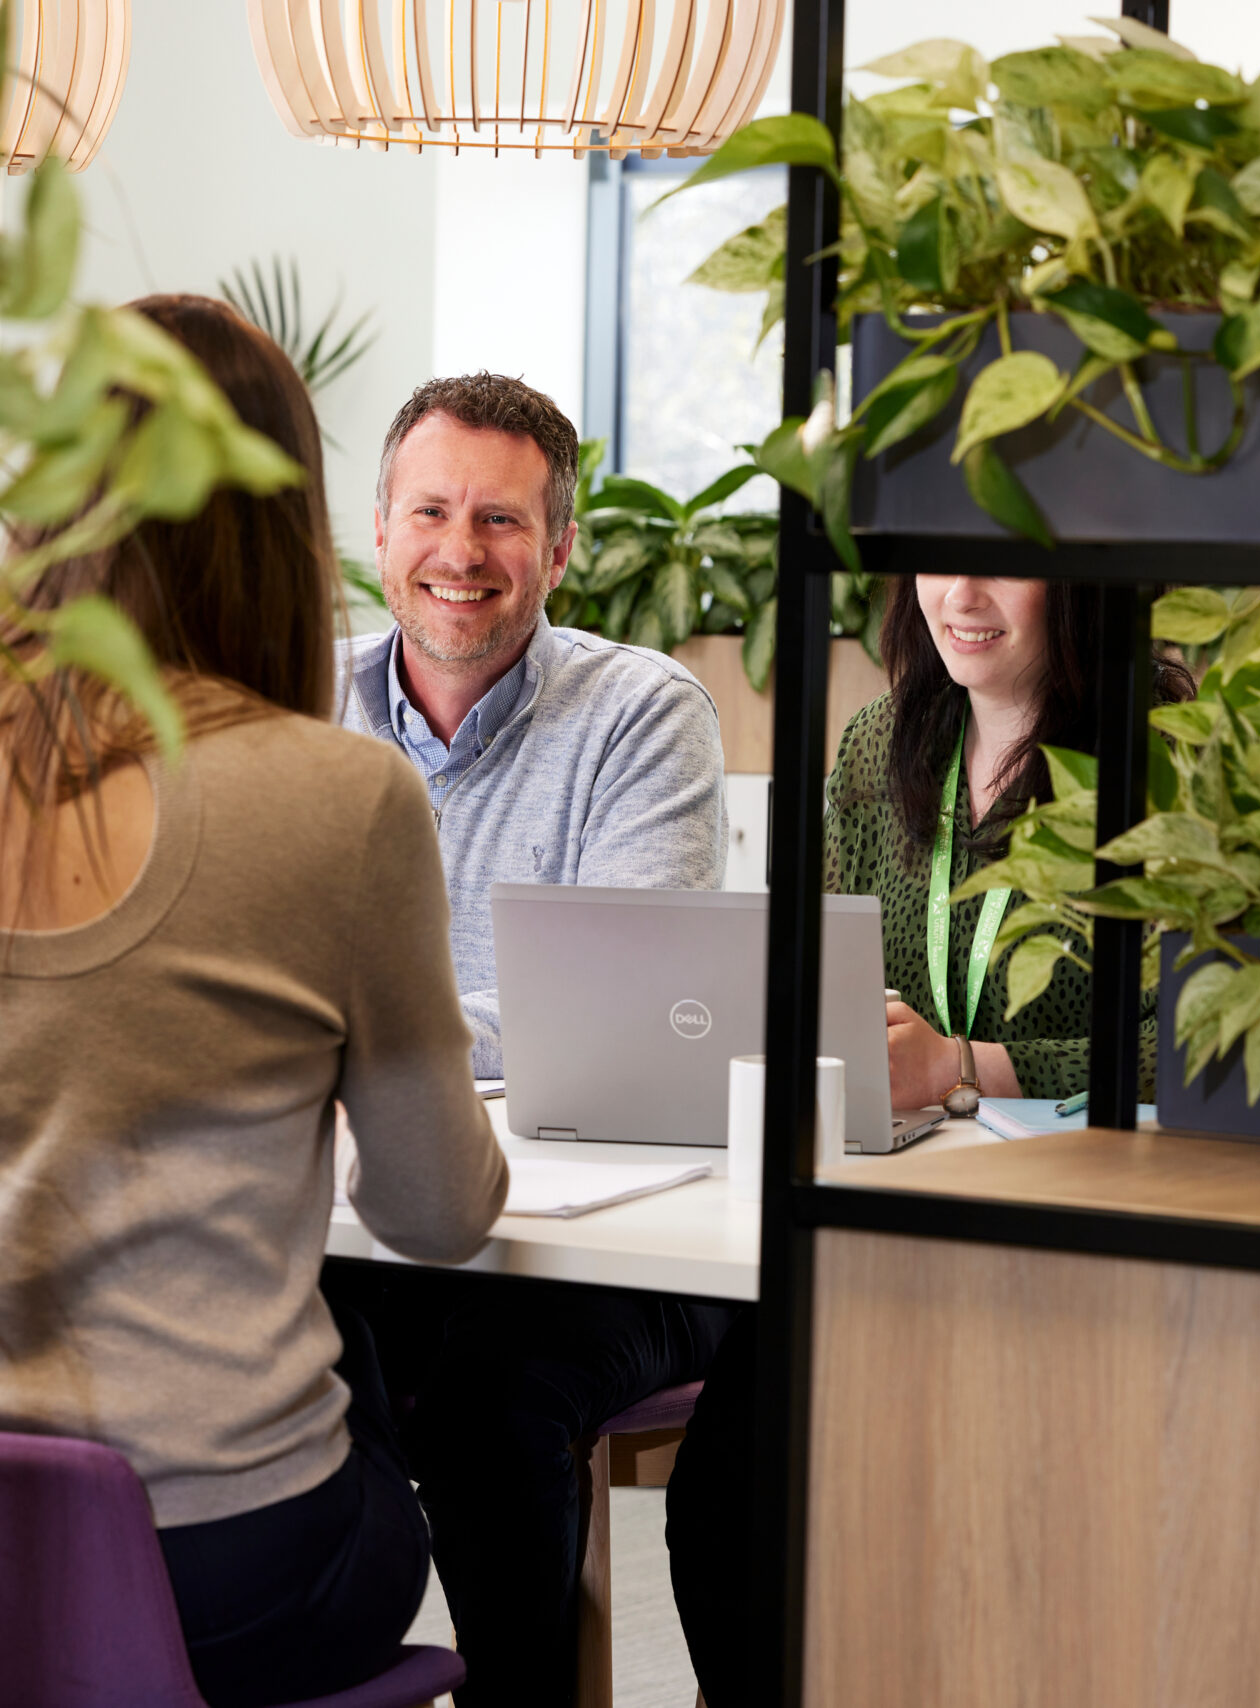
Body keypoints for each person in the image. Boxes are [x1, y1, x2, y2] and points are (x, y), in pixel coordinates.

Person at [0, 295, 509, 1708]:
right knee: (382, 1397)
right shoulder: (342, 795)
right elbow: (437, 1214)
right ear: (284, 518)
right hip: (201, 1549)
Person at [664, 574, 1191, 1704]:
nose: (959, 592)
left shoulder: (1167, 762)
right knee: (729, 1487)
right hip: (875, 1208)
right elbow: (809, 970)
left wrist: (963, 1063)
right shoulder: (875, 745)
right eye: (933, 556)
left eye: (1001, 561)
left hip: (1075, 1228)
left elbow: (1188, 1047)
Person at [327, 372, 734, 1708]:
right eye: (431, 512)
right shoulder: (300, 707)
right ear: (378, 528)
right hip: (376, 1206)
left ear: (560, 549)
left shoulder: (640, 715)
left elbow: (601, 1010)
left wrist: (342, 1044)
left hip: (606, 1238)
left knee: (488, 1389)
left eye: (500, 522)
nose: (460, 553)